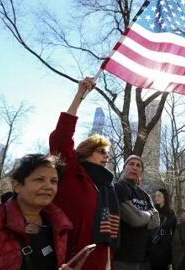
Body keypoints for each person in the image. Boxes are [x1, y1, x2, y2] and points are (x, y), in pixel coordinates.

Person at [50, 77, 120, 270]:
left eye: (108, 153)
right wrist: (79, 96)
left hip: (99, 257)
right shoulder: (71, 169)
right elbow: (62, 136)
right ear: (87, 152)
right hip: (67, 257)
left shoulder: (107, 186)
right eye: (101, 151)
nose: (107, 156)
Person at [0, 154, 76, 270]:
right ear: (16, 185)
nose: (48, 186)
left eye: (53, 181)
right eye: (40, 179)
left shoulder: (58, 228)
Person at [114, 155, 160, 270]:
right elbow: (135, 220)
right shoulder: (117, 188)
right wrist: (149, 214)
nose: (134, 167)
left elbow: (156, 221)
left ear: (141, 172)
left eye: (138, 166)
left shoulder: (145, 195)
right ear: (124, 167)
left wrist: (141, 218)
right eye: (131, 164)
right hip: (122, 257)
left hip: (143, 257)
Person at [150, 188, 177, 270]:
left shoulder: (171, 213)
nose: (156, 198)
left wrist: (171, 244)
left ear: (164, 197)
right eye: (155, 196)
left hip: (165, 245)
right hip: (153, 243)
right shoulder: (152, 210)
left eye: (159, 195)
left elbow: (174, 230)